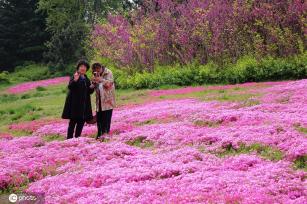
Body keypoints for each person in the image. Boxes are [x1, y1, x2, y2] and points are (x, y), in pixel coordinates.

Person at [62, 60, 94, 139]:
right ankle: (69, 139)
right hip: (75, 105)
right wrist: (75, 80)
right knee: (72, 123)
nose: (83, 68)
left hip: (84, 106)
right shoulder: (75, 76)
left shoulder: (86, 79)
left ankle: (77, 138)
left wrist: (92, 86)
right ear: (78, 68)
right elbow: (70, 87)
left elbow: (89, 92)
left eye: (85, 67)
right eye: (81, 66)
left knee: (81, 123)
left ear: (86, 69)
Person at [91, 63, 116, 141]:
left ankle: (106, 134)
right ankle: (99, 134)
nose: (97, 71)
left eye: (98, 69)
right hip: (99, 100)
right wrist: (94, 83)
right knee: (99, 118)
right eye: (95, 70)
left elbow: (109, 85)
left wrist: (101, 80)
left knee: (107, 118)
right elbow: (94, 88)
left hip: (108, 100)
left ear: (101, 67)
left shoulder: (108, 72)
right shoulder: (95, 75)